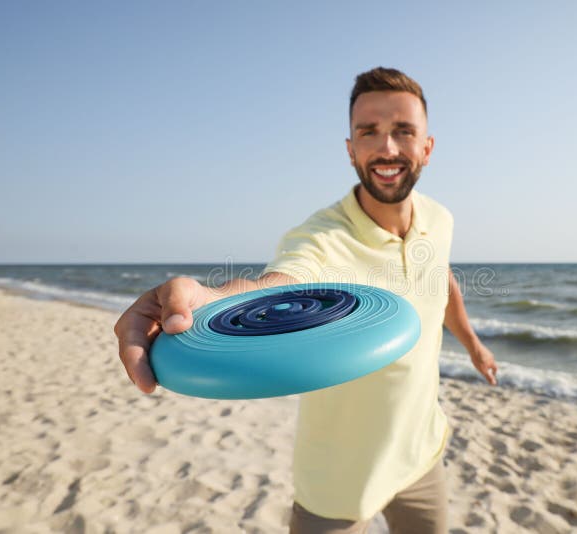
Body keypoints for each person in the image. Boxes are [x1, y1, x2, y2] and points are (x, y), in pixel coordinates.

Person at [115, 67, 498, 534]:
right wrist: (213, 298)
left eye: (403, 131)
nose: (388, 147)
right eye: (369, 132)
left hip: (421, 455)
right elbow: (282, 280)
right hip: (337, 481)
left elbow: (439, 277)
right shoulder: (321, 238)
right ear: (350, 149)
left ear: (427, 147)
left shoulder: (439, 218)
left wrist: (474, 345)